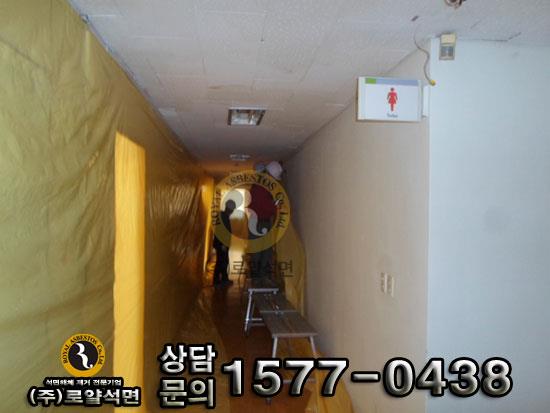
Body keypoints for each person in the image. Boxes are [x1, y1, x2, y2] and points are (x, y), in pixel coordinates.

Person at [248, 161, 283, 279]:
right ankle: (258, 277)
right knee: (259, 251)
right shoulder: (260, 187)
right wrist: (276, 205)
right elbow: (265, 206)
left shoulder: (262, 186)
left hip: (261, 222)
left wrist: (274, 203)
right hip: (258, 223)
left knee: (265, 251)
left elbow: (266, 205)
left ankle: (261, 276)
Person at [213, 200, 236, 286]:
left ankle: (222, 279)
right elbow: (221, 232)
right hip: (221, 244)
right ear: (229, 209)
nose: (232, 211)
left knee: (223, 261)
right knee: (222, 262)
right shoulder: (223, 217)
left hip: (221, 244)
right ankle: (219, 280)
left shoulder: (223, 216)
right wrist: (223, 244)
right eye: (232, 209)